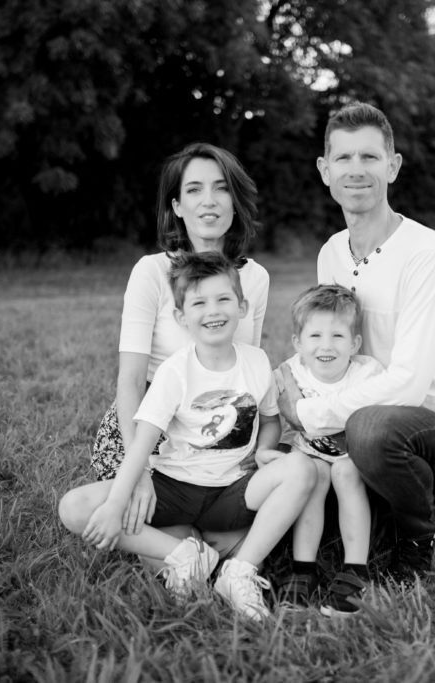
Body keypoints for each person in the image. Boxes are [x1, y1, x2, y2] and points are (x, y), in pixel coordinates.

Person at [277, 101, 435, 582]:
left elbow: (410, 385)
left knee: (372, 430)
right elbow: (328, 349)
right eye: (344, 158)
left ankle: (420, 535)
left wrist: (311, 414)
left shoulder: (425, 251)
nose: (356, 170)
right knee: (308, 472)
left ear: (392, 167)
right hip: (354, 416)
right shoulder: (331, 252)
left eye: (370, 157)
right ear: (324, 170)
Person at [59, 252, 317, 621]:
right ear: (182, 317)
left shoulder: (256, 361)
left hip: (232, 491)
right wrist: (117, 502)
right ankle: (185, 557)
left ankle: (239, 571)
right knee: (75, 507)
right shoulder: (174, 371)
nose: (213, 310)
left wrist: (263, 449)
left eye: (223, 299)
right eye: (199, 302)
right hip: (174, 487)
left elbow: (271, 421)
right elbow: (143, 442)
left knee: (301, 469)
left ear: (242, 306)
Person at [89, 142, 269, 563]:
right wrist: (142, 472)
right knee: (135, 511)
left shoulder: (255, 279)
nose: (209, 201)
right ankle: (189, 549)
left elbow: (244, 377)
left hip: (213, 423)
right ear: (177, 205)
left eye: (221, 189)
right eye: (194, 190)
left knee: (230, 523)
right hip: (148, 423)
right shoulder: (151, 271)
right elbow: (131, 381)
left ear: (235, 200)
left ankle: (199, 543)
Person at [273, 284, 383, 615]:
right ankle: (303, 568)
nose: (326, 346)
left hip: (353, 457)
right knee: (314, 473)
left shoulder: (367, 373)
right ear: (298, 343)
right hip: (308, 453)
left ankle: (354, 570)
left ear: (355, 343)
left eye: (337, 336)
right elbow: (275, 418)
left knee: (346, 472)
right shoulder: (291, 373)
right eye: (315, 336)